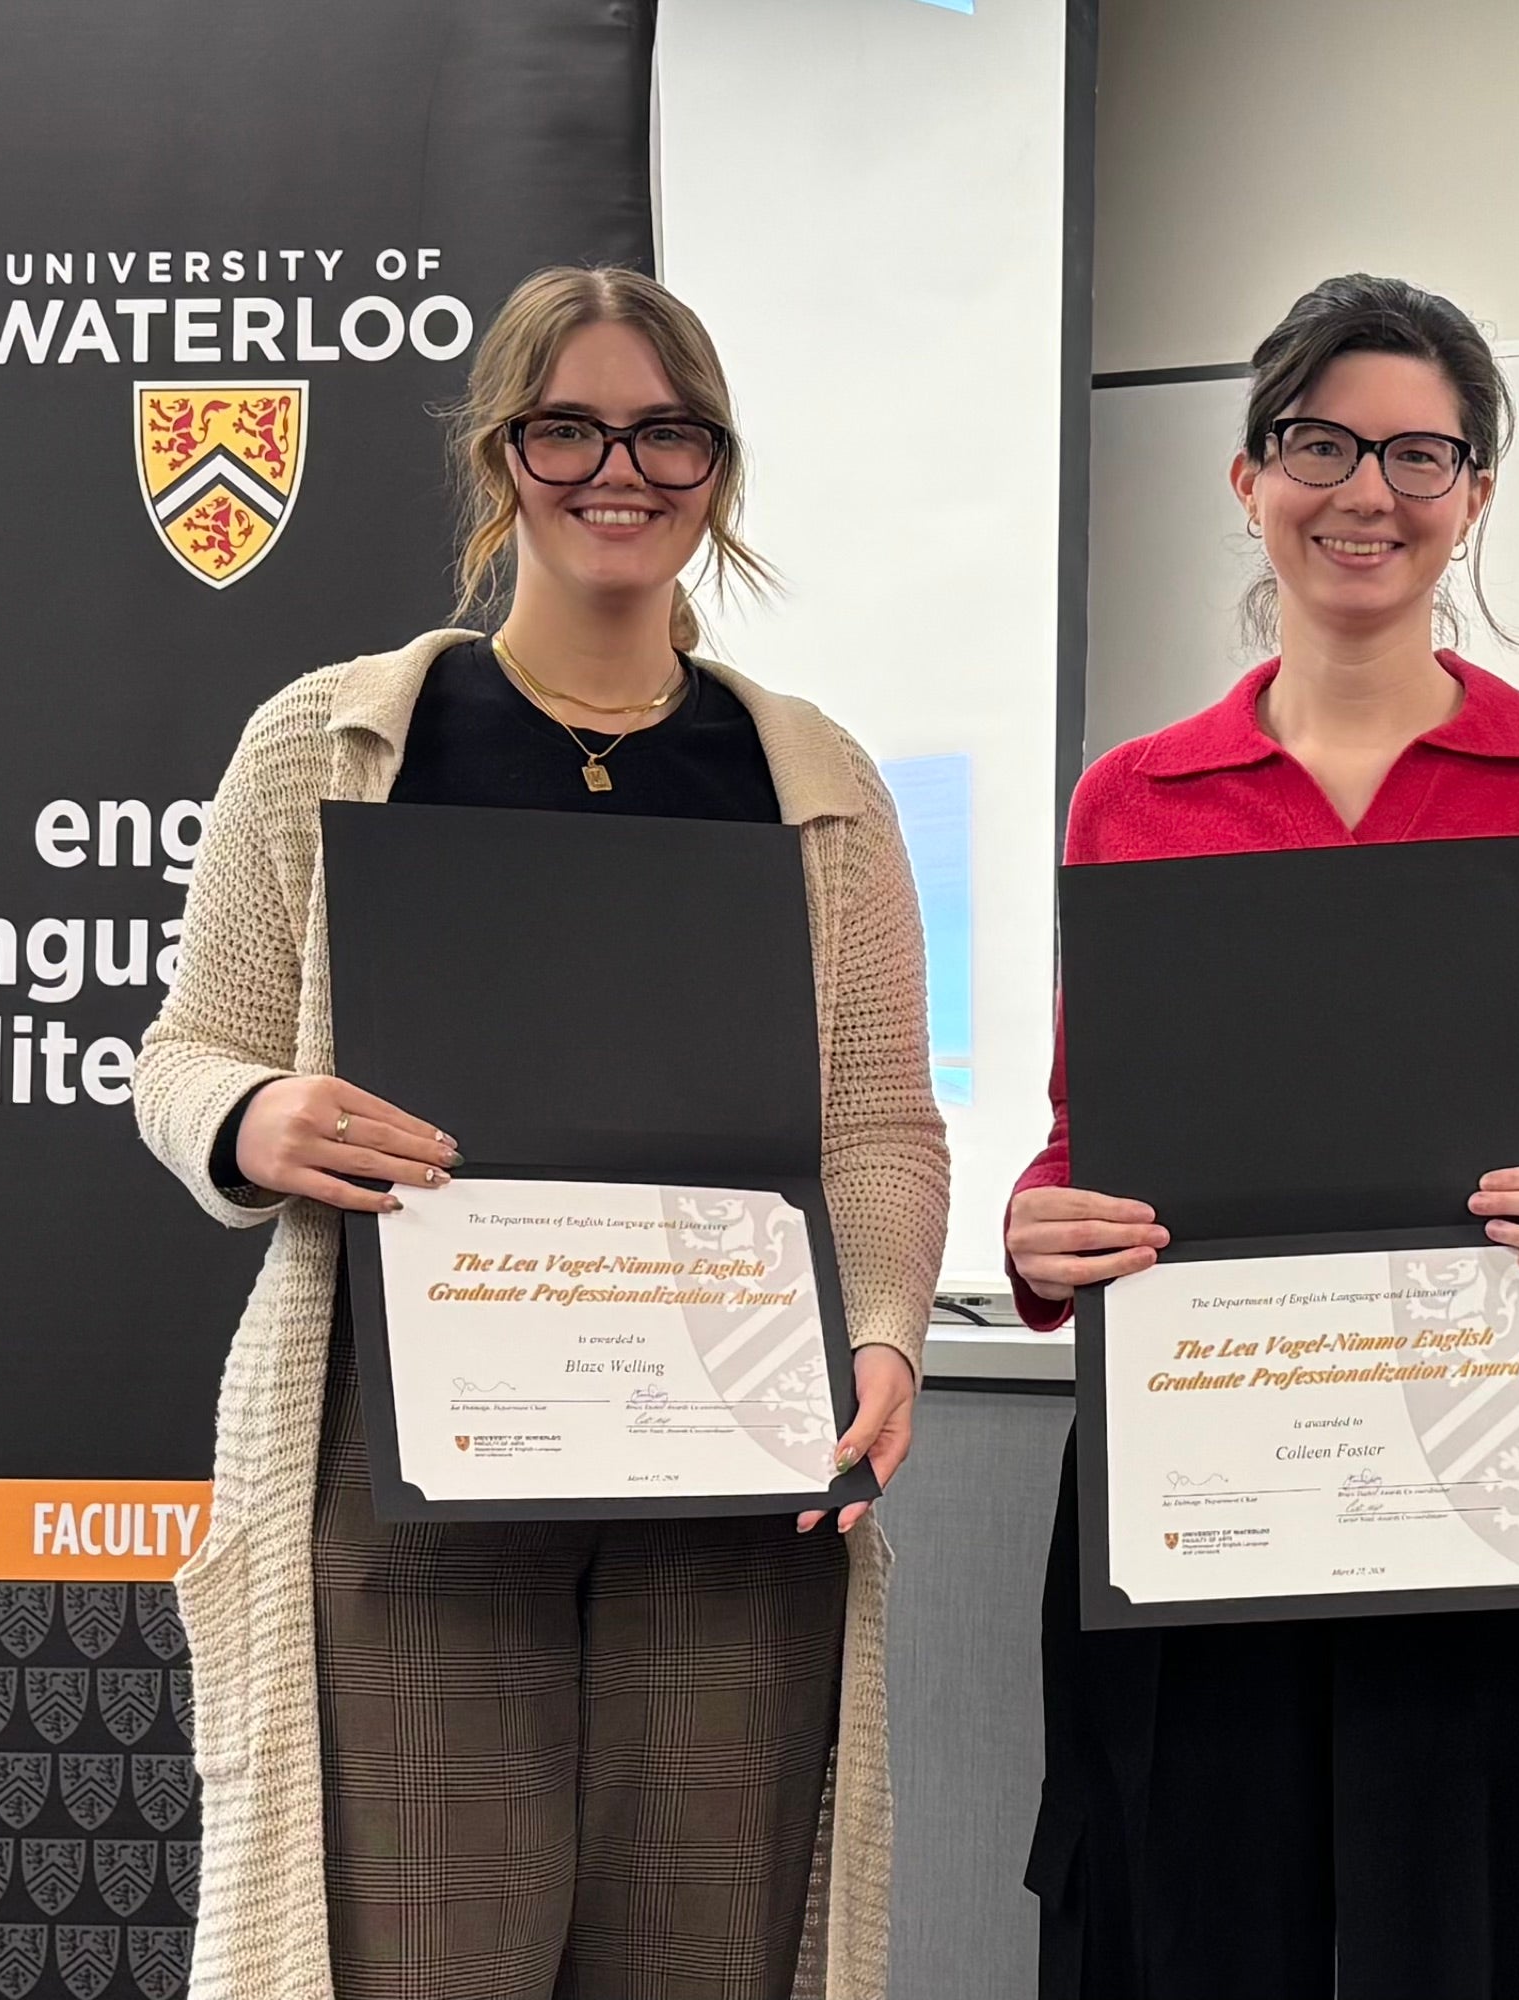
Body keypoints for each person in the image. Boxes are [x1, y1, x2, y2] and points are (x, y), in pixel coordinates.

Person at [133, 266, 947, 2000]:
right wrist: (255, 1113)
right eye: (567, 426)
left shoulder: (809, 778)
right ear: (500, 454)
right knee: (423, 1962)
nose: (619, 469)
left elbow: (876, 1120)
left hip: (735, 1475)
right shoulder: (339, 743)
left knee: (703, 1959)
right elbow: (187, 1049)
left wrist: (880, 1330)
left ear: (717, 468)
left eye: (668, 431)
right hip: (415, 1473)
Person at [1005, 273, 1519, 2000]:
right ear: (1247, 475)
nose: (1370, 493)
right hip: (1196, 1476)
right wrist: (1045, 1230)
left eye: (1423, 455)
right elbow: (1082, 1136)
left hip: (1489, 1480)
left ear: (1474, 496)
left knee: (1490, 1938)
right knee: (1179, 1932)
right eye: (1322, 443)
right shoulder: (1134, 797)